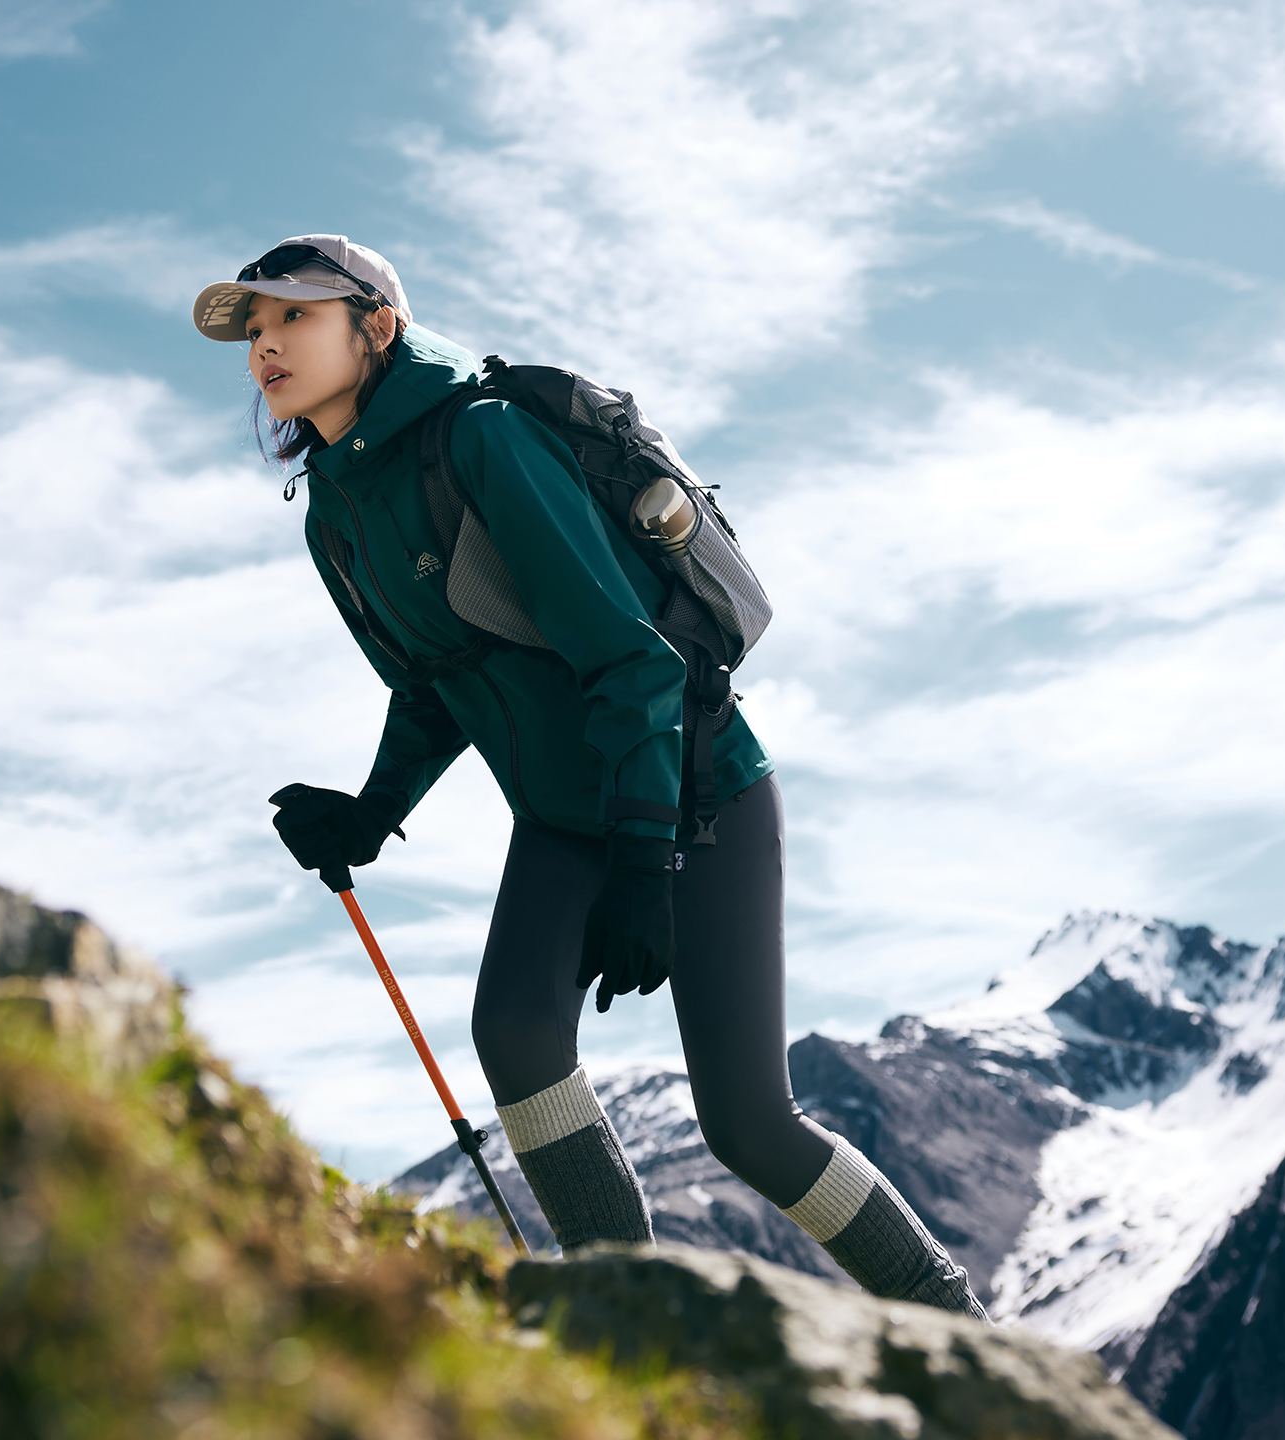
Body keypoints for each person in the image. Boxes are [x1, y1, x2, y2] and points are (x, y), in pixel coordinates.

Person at [191, 235, 988, 1319]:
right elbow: (435, 684)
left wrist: (645, 859)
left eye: (296, 316)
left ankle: (953, 1322)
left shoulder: (483, 439)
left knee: (750, 1122)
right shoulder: (336, 511)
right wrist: (371, 813)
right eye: (255, 327)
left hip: (696, 793)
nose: (266, 346)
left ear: (374, 324)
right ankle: (634, 1321)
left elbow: (631, 661)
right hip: (568, 815)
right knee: (516, 1034)